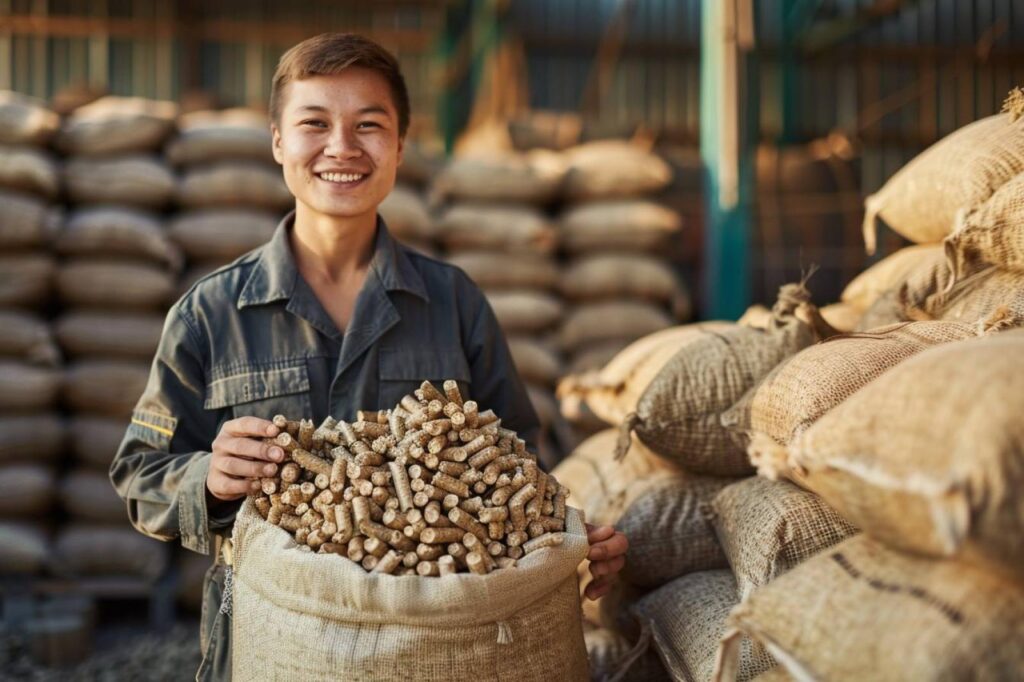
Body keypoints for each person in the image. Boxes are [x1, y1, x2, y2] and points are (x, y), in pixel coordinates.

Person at [110, 32, 628, 680]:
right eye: (314, 123)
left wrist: (571, 542)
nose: (342, 147)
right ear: (277, 140)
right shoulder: (211, 314)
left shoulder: (454, 303)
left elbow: (520, 470)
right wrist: (207, 479)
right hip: (273, 642)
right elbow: (138, 474)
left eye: (369, 125)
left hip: (435, 649)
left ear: (401, 146)